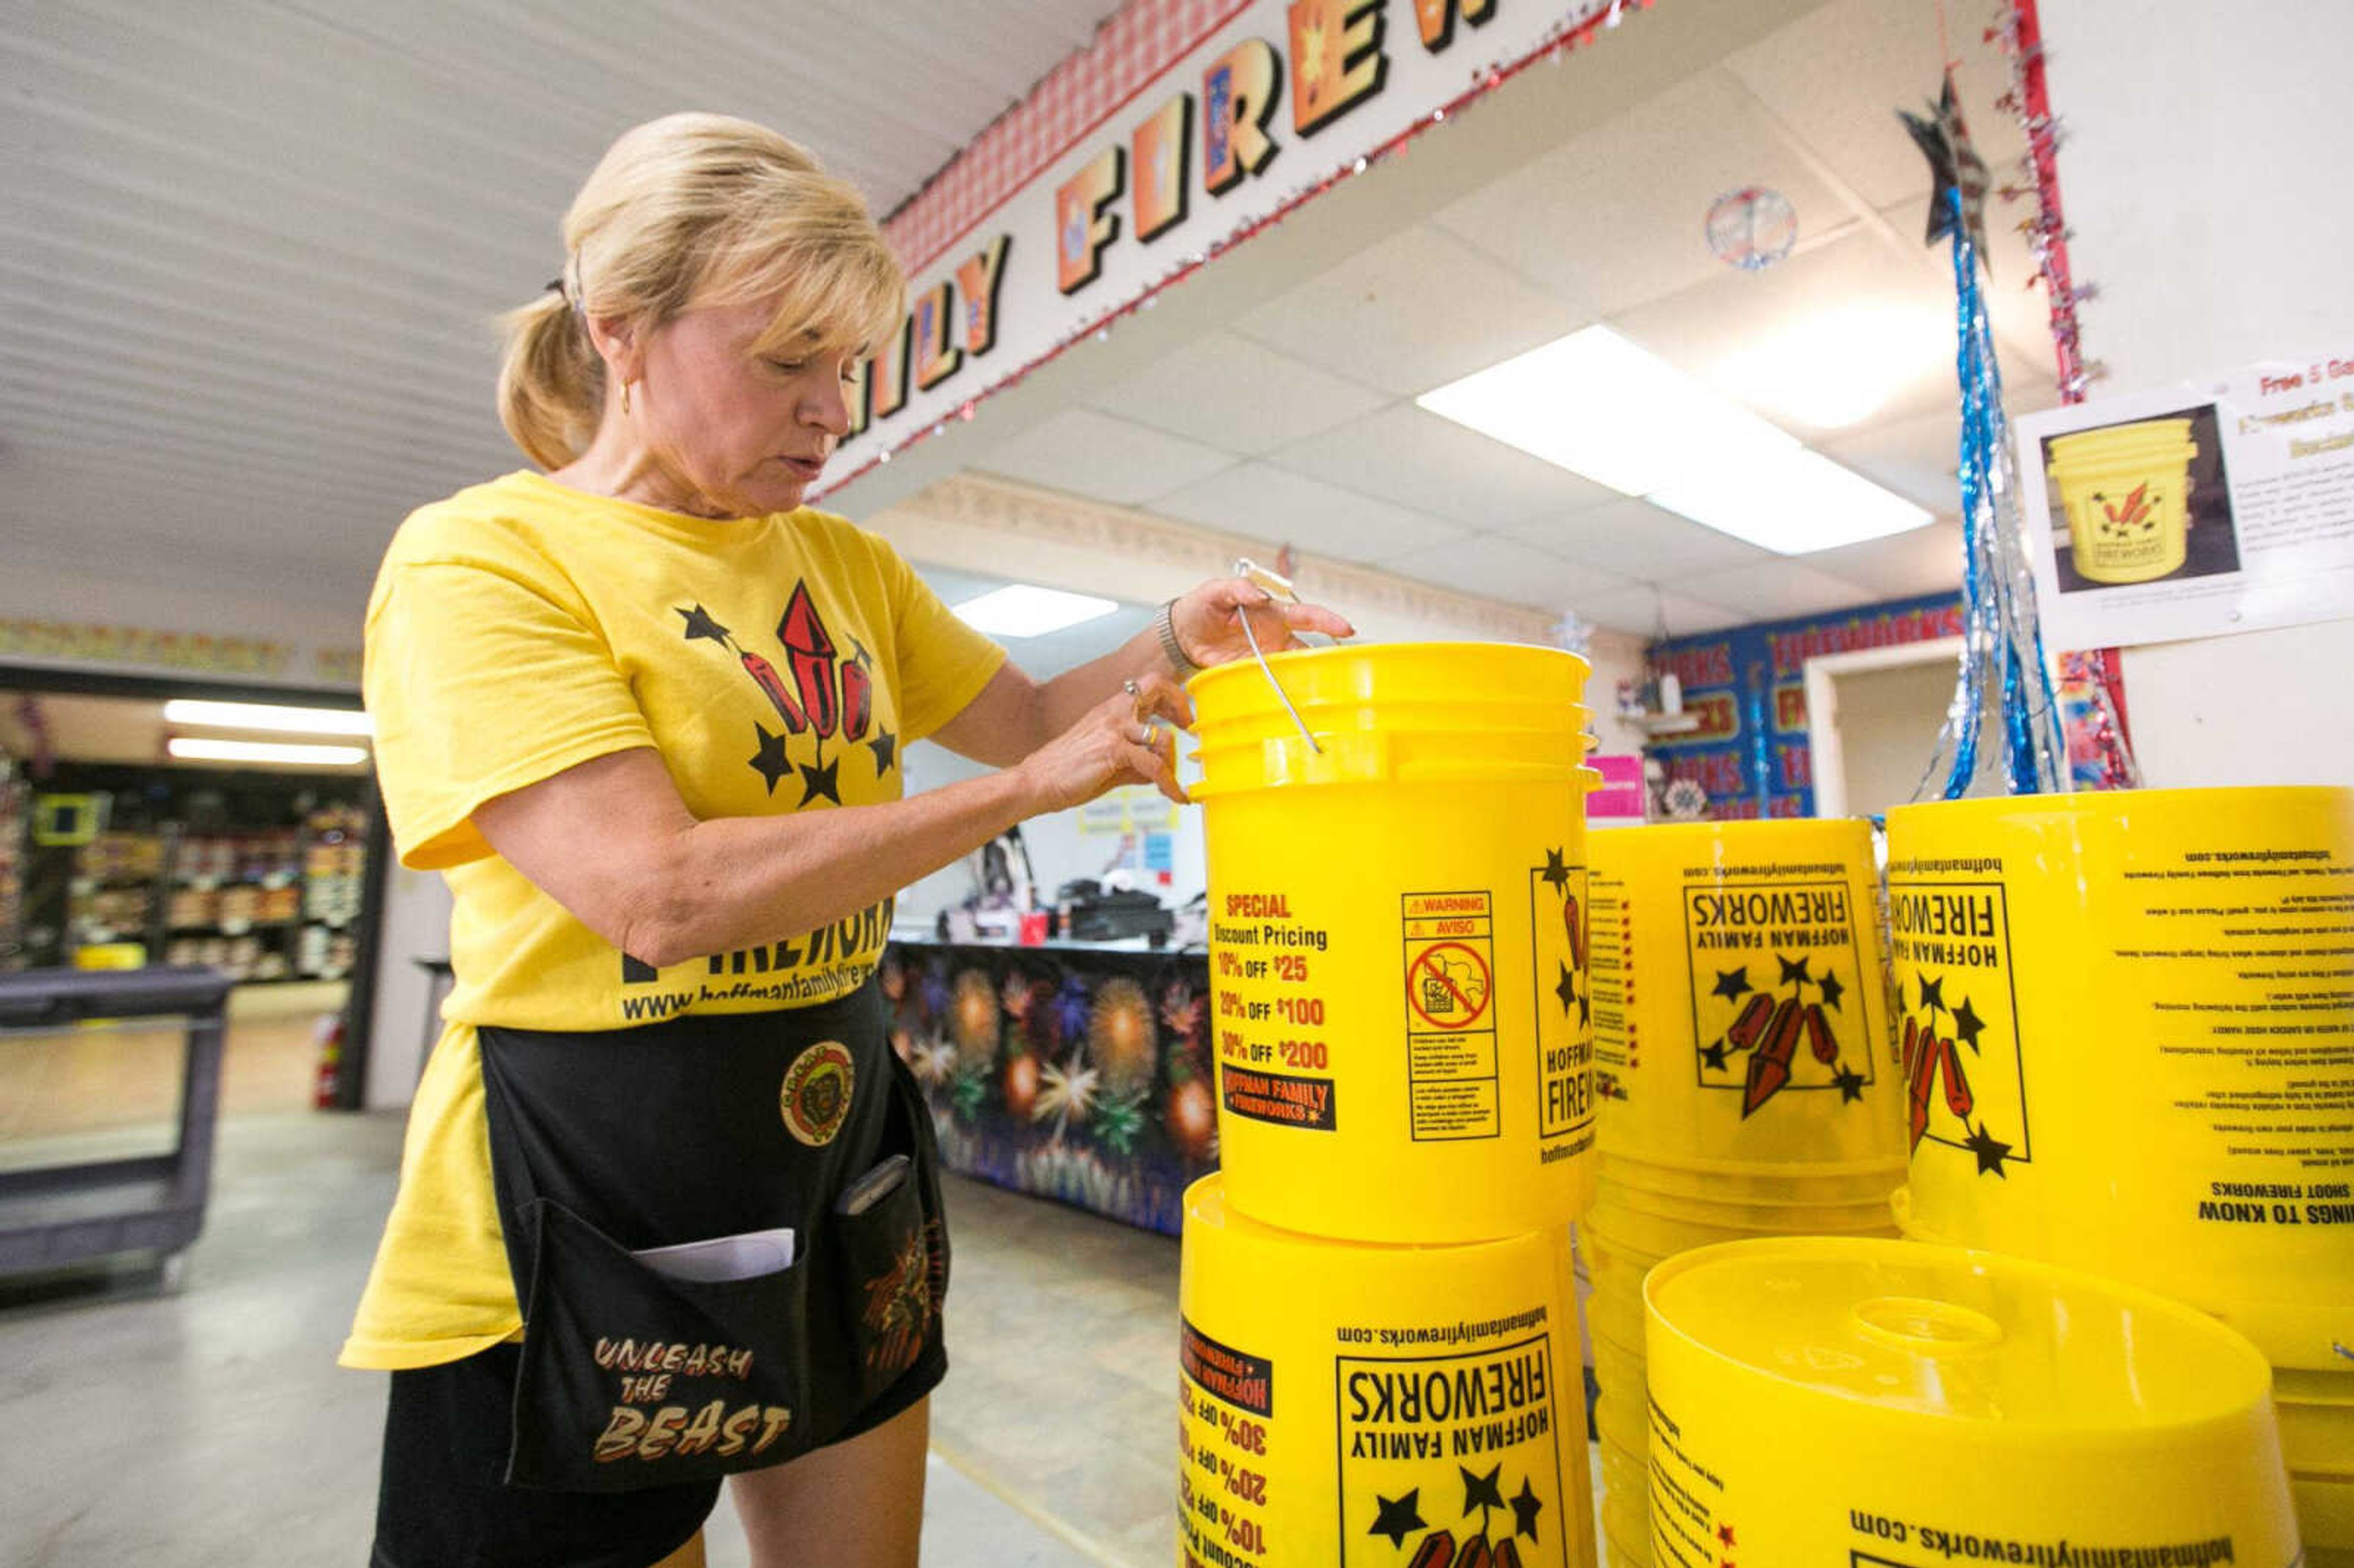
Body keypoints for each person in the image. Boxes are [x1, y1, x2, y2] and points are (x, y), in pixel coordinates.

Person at [342, 112, 1348, 1568]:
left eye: (849, 369)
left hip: (831, 1152)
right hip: (582, 1199)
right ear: (621, 328)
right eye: (783, 362)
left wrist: (1171, 646)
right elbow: (657, 893)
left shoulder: (845, 561)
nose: (834, 413)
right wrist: (1019, 797)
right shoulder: (484, 559)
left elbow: (1026, 717)